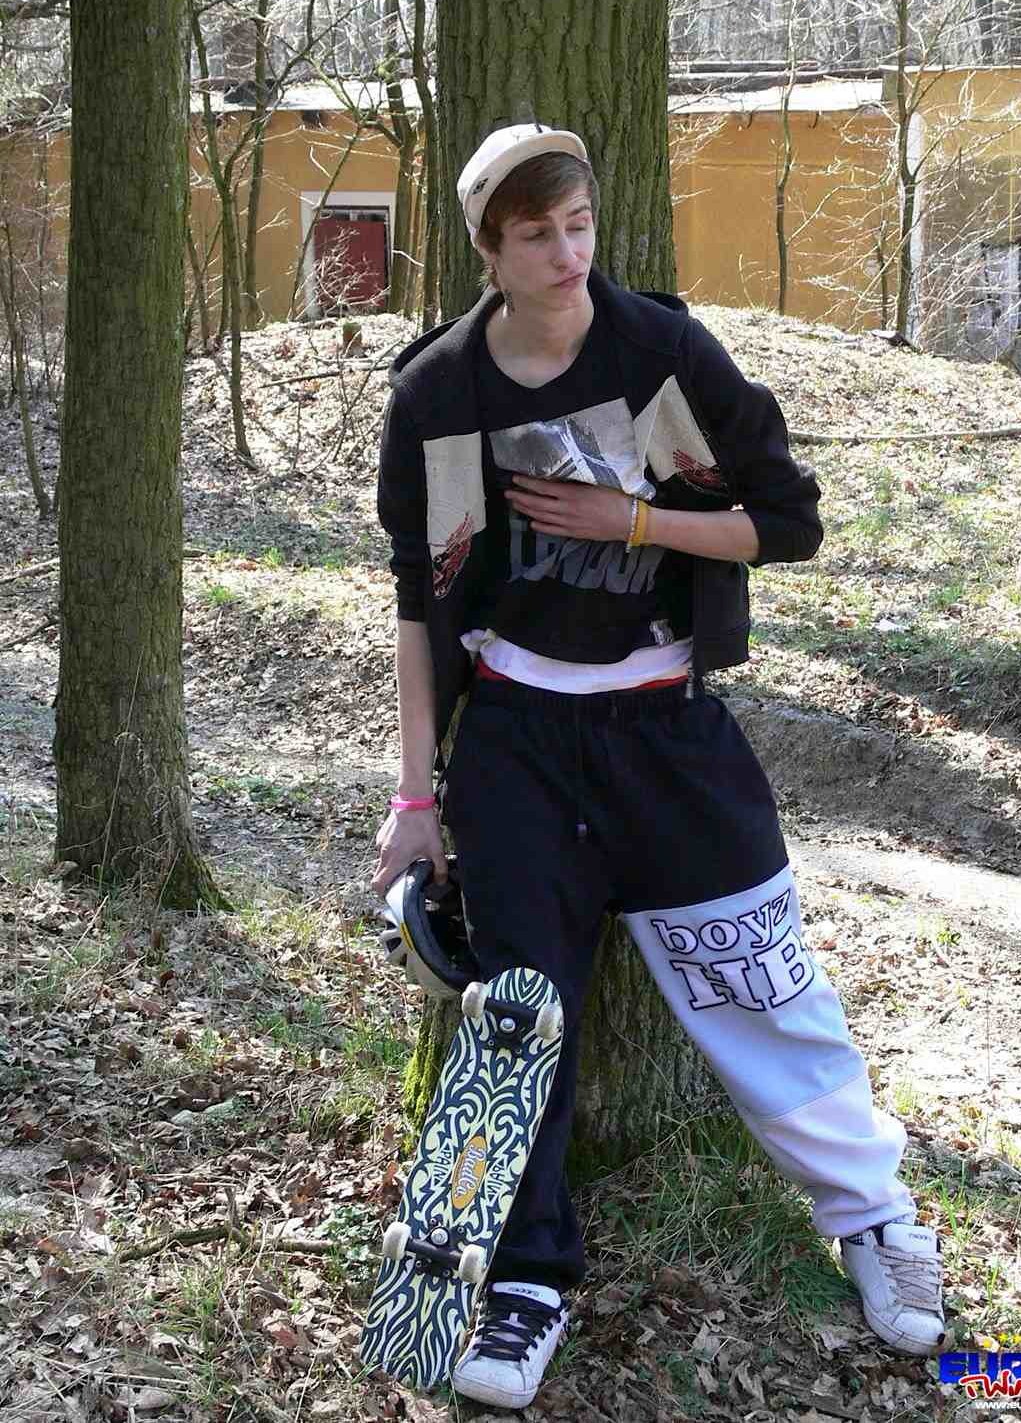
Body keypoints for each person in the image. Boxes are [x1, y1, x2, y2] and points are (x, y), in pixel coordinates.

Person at [371, 123, 945, 1411]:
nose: (568, 255)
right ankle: (524, 1283)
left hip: (669, 734)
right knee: (520, 1021)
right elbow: (424, 601)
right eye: (537, 235)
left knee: (763, 985)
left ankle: (876, 1222)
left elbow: (783, 523)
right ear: (487, 251)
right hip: (515, 748)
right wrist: (416, 795)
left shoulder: (659, 353)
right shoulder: (441, 395)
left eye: (579, 225)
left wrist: (629, 520)